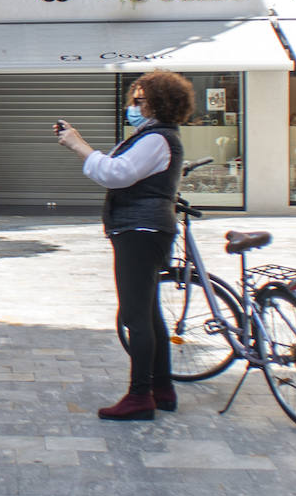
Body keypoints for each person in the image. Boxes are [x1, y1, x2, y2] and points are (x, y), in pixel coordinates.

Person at [55, 69, 195, 421]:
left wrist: (78, 146)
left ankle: (139, 396)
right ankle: (162, 389)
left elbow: (115, 174)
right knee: (148, 314)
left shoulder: (156, 139)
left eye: (139, 100)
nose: (132, 105)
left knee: (136, 315)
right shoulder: (151, 136)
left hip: (140, 230)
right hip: (143, 229)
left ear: (157, 104)